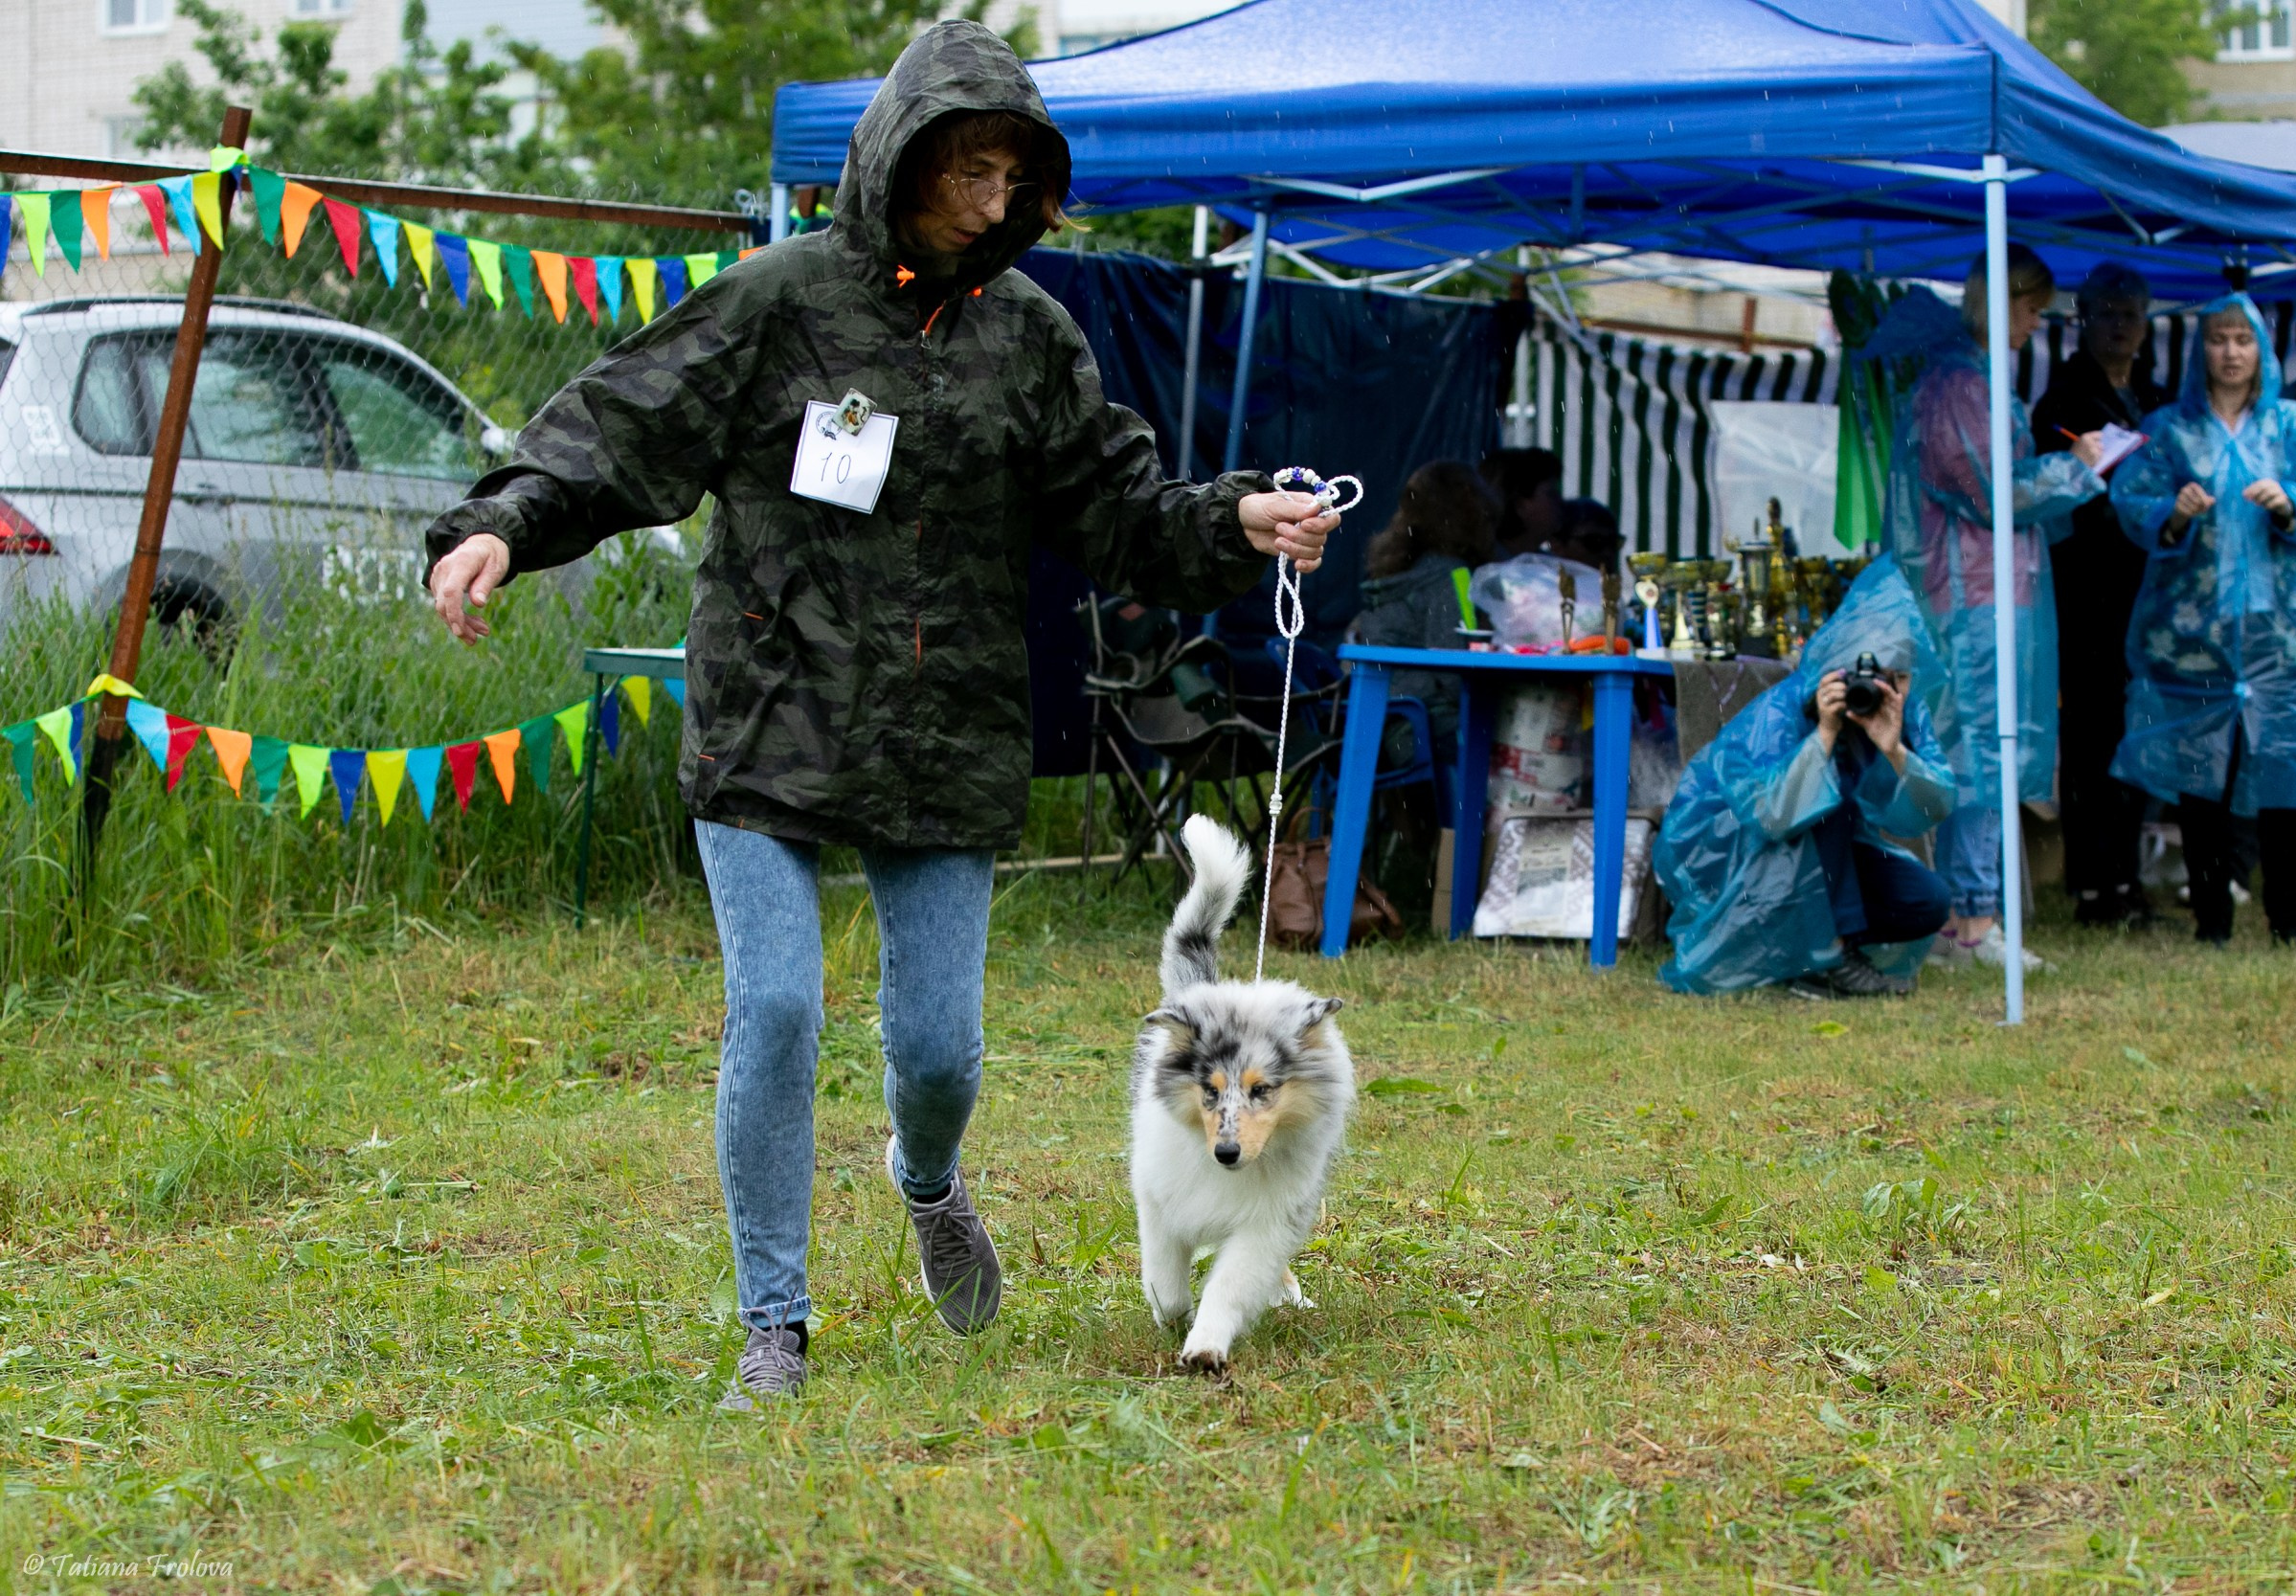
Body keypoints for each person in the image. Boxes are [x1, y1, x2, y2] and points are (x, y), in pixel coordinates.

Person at [418, 21, 1340, 1405]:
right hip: (769, 718)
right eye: (968, 169)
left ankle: (926, 1179)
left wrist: (1236, 517)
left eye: (1013, 179)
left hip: (946, 728)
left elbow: (1117, 508)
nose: (990, 204)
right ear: (899, 161)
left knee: (939, 1055)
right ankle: (773, 1324)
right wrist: (501, 521)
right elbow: (615, 430)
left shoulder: (1029, 335)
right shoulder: (773, 302)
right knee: (778, 1010)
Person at [1876, 246, 2106, 972]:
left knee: (1983, 750)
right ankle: (1970, 923)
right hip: (1972, 599)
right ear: (2001, 301)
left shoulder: (1970, 378)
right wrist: (2082, 464)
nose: (2036, 325)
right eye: (2033, 309)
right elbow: (1991, 489)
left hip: (1986, 593)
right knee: (1980, 750)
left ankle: (1970, 914)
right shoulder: (1959, 384)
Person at [2109, 293, 2296, 945]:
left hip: (2283, 636)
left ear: (2262, 349)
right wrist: (2176, 512)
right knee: (2200, 776)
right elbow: (2130, 496)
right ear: (2201, 349)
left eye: (2244, 338)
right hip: (2194, 638)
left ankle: (2289, 914)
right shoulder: (2169, 431)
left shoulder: (2294, 427)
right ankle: (2211, 915)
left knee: (2286, 771)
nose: (2232, 351)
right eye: (2219, 338)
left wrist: (2291, 503)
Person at [1657, 558, 1957, 998]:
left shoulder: (1904, 715)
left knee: (1925, 900)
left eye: (1893, 677)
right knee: (1822, 796)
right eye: (1864, 675)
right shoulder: (1783, 712)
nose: (1875, 690)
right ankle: (1830, 958)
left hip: (1814, 862)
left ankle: (1808, 946)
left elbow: (1934, 807)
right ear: (1836, 669)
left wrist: (1894, 750)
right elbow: (1771, 816)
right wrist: (1825, 734)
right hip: (1734, 860)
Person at [2032, 262, 2166, 926]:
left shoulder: (2157, 395)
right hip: (2086, 589)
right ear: (2083, 317)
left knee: (2140, 732)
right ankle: (2091, 881)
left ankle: (2128, 876)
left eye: (2131, 313)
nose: (2120, 325)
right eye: (2108, 312)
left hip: (2150, 589)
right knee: (2090, 735)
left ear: (2146, 324)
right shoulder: (2061, 400)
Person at [1349, 460, 1501, 759]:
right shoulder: (1452, 575)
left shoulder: (1397, 571)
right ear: (1474, 516)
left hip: (1374, 720)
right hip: (1418, 728)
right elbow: (1457, 670)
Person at [1479, 447, 1564, 555]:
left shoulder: (1551, 566)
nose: (1560, 501)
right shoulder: (1463, 568)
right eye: (1551, 494)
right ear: (1519, 505)